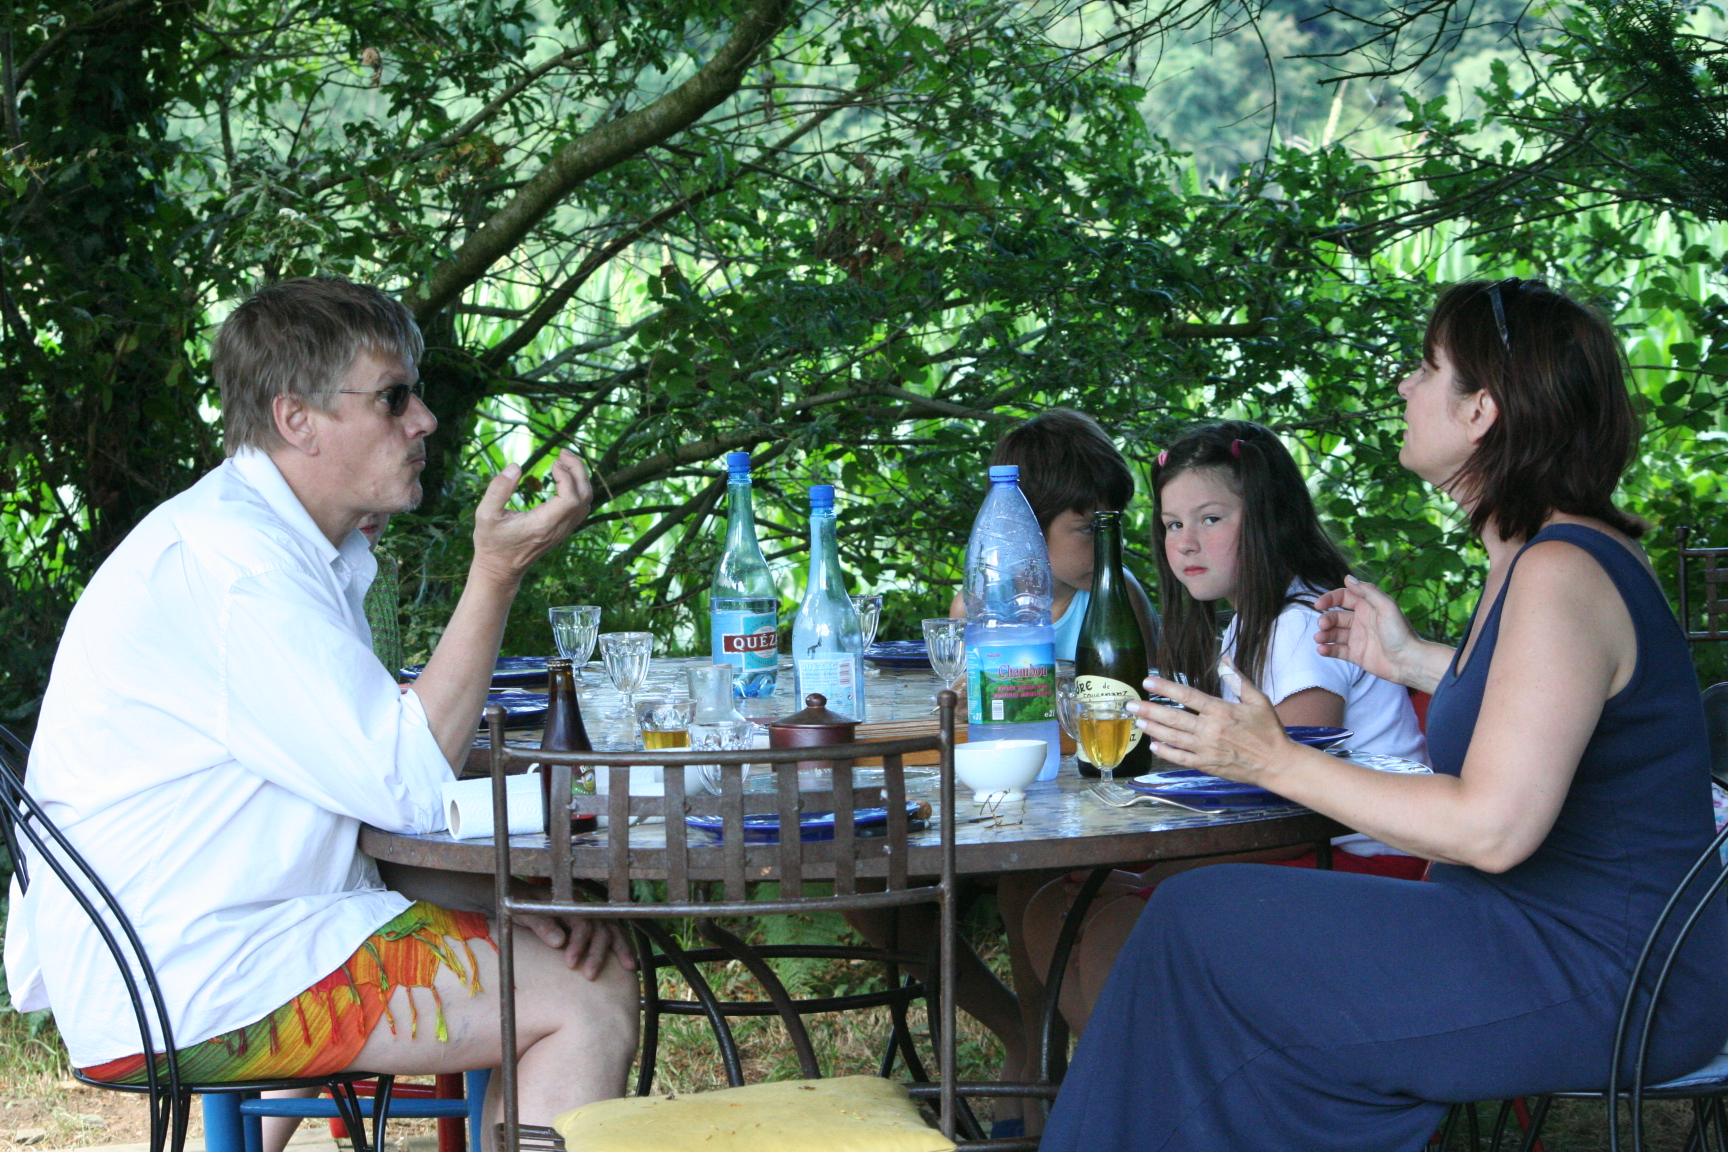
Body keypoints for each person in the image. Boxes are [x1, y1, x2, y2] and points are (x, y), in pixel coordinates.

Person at [1037, 278, 1728, 1152]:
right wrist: (1413, 662)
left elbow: (1491, 828)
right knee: (1202, 935)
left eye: (1427, 368)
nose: (1405, 385)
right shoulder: (1550, 555)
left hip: (1609, 972)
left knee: (1193, 924)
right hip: (1548, 937)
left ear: (1481, 409)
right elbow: (1556, 703)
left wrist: (1272, 759)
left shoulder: (1560, 571)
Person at [4, 277, 638, 1151]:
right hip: (199, 973)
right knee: (583, 994)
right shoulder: (245, 570)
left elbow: (357, 792)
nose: (423, 420)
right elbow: (407, 785)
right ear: (296, 418)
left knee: (562, 951)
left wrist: (497, 896)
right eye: (392, 398)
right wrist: (496, 573)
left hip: (218, 934)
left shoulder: (270, 541)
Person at [1020, 420, 1430, 1033]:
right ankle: (1127, 1076)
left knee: (1112, 924)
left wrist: (1159, 867)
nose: (1185, 544)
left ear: (1267, 518)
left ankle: (1171, 1078)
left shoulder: (1302, 625)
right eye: (1171, 525)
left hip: (1362, 867)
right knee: (1051, 911)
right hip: (1304, 851)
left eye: (1210, 519)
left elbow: (1288, 806)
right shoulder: (1249, 623)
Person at [946, 408, 1157, 658]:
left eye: (1114, 523)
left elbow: (1146, 681)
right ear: (1026, 528)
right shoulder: (976, 606)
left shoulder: (1119, 596)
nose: (1115, 546)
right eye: (1090, 528)